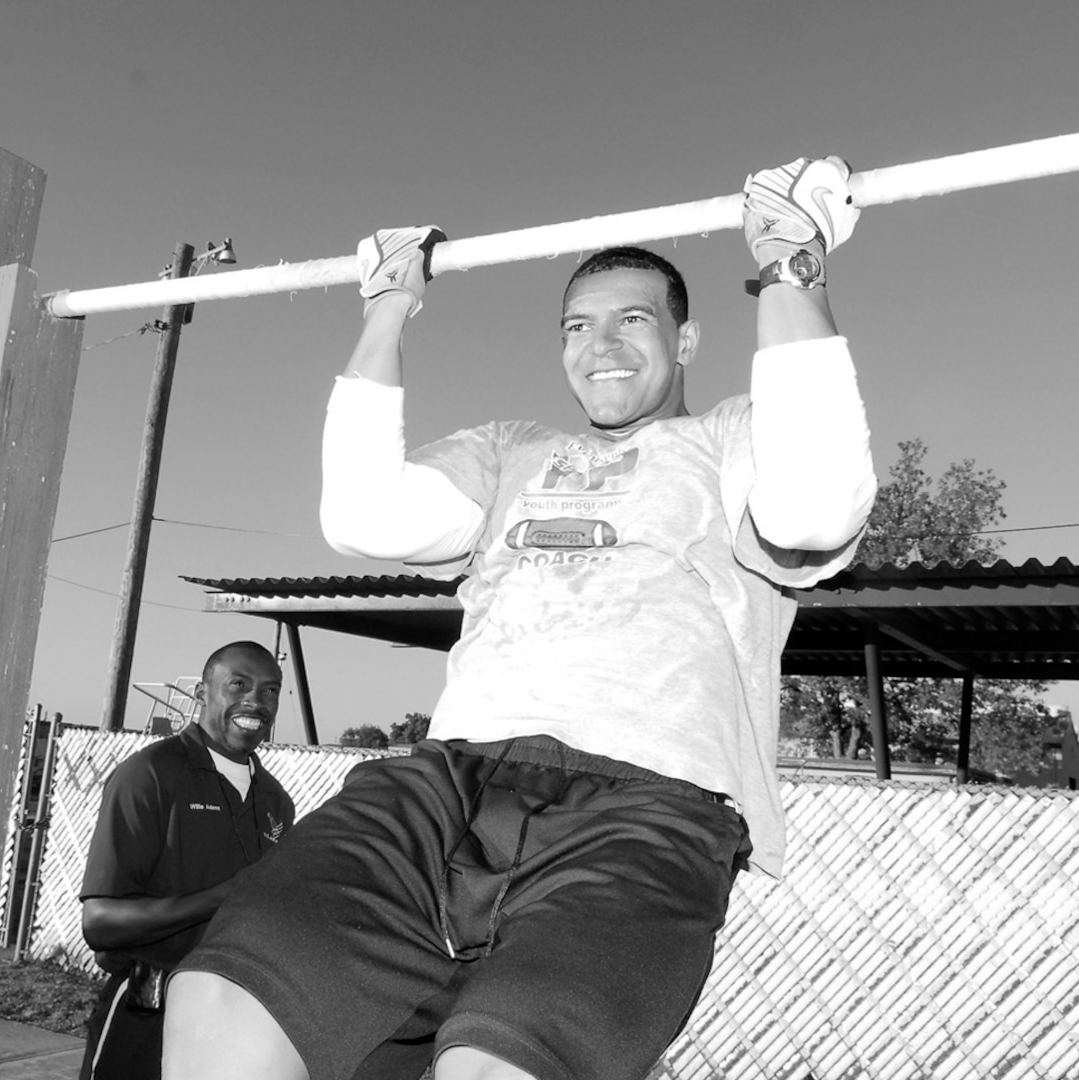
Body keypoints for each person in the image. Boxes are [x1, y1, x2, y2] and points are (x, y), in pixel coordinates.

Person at [163, 157, 878, 1080]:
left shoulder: (733, 438)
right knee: (221, 996)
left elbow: (815, 509)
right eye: (578, 325)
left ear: (687, 339)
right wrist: (387, 306)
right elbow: (362, 514)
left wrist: (790, 267)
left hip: (646, 803)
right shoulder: (511, 451)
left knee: (499, 1058)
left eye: (633, 320)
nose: (602, 344)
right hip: (446, 780)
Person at [78, 640, 296, 1080]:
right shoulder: (151, 774)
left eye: (271, 690)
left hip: (236, 1024)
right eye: (239, 684)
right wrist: (222, 897)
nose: (256, 700)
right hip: (148, 1014)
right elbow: (100, 921)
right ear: (201, 693)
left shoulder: (276, 802)